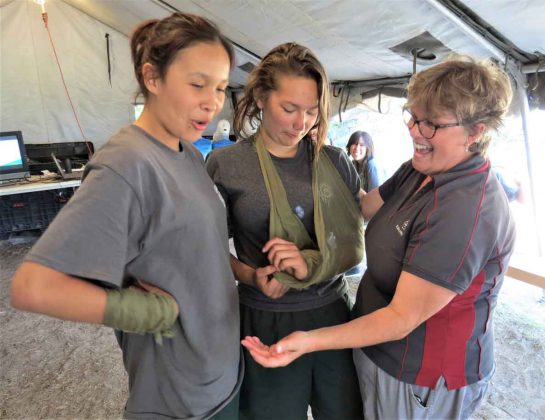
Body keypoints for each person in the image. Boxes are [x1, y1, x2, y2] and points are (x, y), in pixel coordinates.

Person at [242, 56, 516, 420]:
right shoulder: (418, 171)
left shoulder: (467, 209)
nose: (416, 132)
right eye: (413, 117)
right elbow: (360, 206)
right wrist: (299, 180)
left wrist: (309, 339)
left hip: (420, 373)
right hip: (376, 350)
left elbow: (401, 317)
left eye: (431, 124)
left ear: (476, 130)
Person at [10, 12, 242, 420]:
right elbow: (34, 286)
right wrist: (142, 312)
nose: (213, 101)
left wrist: (248, 274)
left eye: (222, 88)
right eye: (197, 84)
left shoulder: (187, 151)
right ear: (152, 79)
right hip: (178, 397)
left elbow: (190, 247)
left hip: (219, 372)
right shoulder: (126, 164)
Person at [206, 42, 364, 420]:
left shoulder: (334, 161)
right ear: (261, 97)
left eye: (312, 111)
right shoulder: (226, 164)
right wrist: (250, 274)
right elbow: (207, 246)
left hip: (332, 316)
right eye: (289, 109)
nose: (301, 123)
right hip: (265, 318)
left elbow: (350, 242)